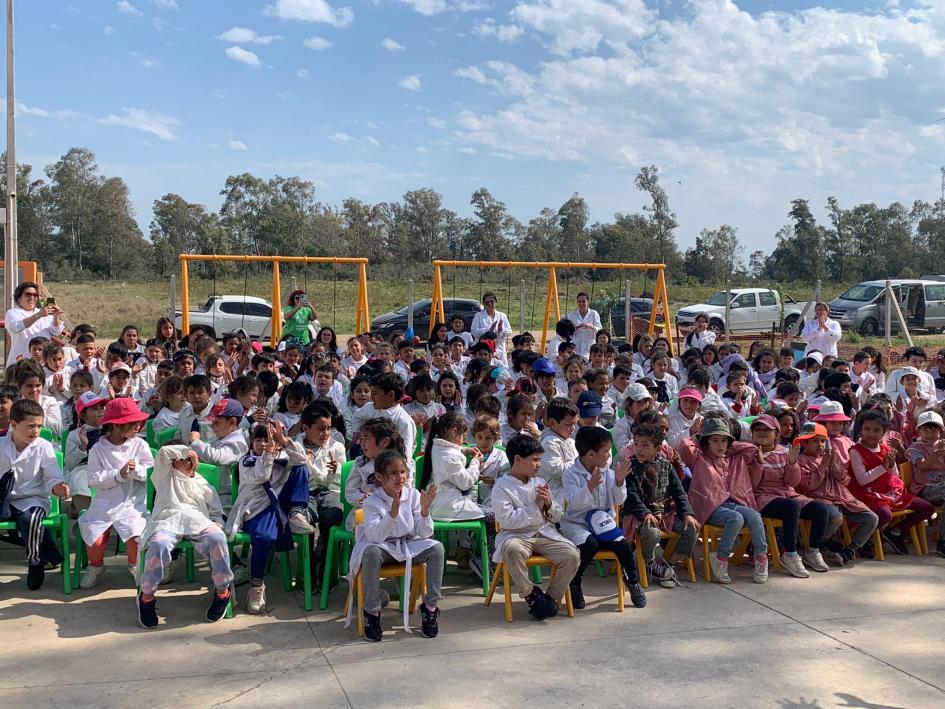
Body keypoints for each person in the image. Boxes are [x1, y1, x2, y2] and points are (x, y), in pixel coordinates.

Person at [345, 449, 443, 641]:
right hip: (383, 548)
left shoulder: (413, 495)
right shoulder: (372, 501)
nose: (400, 477)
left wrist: (424, 510)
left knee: (436, 548)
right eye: (394, 473)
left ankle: (430, 608)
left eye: (403, 472)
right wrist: (392, 514)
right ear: (380, 477)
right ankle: (372, 613)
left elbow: (423, 533)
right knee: (371, 552)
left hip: (406, 545)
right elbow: (375, 537)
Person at [136, 446, 234, 628]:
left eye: (190, 460)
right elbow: (164, 451)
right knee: (158, 544)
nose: (188, 462)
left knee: (217, 538)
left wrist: (217, 525)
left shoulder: (202, 483)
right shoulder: (165, 478)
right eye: (183, 459)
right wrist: (191, 451)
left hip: (198, 522)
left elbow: (215, 512)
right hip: (167, 521)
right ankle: (147, 596)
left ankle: (222, 591)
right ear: (173, 462)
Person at [491, 433, 580, 621]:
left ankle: (550, 599)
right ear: (517, 459)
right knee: (513, 551)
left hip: (544, 532)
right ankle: (530, 594)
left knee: (572, 554)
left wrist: (548, 504)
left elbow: (556, 516)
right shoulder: (501, 486)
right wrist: (536, 506)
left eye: (540, 460)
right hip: (515, 535)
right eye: (534, 460)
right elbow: (507, 521)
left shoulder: (540, 482)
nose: (539, 465)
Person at [561, 426, 646, 610]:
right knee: (589, 545)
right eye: (606, 451)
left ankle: (633, 582)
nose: (609, 455)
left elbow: (619, 499)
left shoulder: (608, 471)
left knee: (623, 545)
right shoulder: (570, 473)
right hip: (579, 524)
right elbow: (573, 503)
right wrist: (589, 487)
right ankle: (575, 583)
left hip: (603, 522)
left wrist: (619, 481)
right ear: (591, 454)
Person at [678, 416, 768, 585]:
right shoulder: (699, 458)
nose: (720, 445)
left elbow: (751, 449)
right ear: (706, 442)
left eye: (724, 440)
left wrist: (731, 446)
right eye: (715, 440)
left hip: (734, 503)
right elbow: (684, 445)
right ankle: (721, 558)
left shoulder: (735, 458)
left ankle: (761, 558)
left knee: (755, 516)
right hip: (708, 507)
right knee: (736, 518)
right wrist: (695, 434)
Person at [78, 398, 154, 588]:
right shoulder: (98, 449)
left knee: (135, 539)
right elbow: (93, 479)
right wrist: (118, 474)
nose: (138, 425)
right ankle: (96, 566)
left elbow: (152, 473)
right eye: (133, 422)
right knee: (95, 542)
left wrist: (136, 471)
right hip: (106, 503)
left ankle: (136, 567)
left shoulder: (140, 445)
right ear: (117, 424)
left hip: (133, 503)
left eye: (138, 421)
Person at [749, 415, 834, 576]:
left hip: (787, 494)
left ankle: (813, 551)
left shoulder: (784, 451)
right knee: (791, 507)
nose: (762, 433)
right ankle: (790, 553)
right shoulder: (748, 452)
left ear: (776, 434)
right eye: (758, 429)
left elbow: (793, 482)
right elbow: (751, 485)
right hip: (762, 497)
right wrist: (758, 464)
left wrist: (792, 463)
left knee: (820, 509)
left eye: (767, 430)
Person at [0, 399, 70, 589]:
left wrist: (58, 487)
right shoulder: (1, 445)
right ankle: (51, 551)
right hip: (3, 499)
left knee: (30, 520)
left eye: (39, 426)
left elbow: (52, 476)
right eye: (31, 426)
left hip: (32, 499)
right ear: (14, 425)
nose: (36, 430)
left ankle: (36, 560)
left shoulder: (43, 447)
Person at [622, 423, 699, 588]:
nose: (639, 449)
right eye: (636, 444)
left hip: (663, 513)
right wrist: (645, 513)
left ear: (657, 449)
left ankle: (668, 564)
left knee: (691, 528)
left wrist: (687, 513)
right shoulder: (630, 466)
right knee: (651, 532)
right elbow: (631, 496)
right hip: (639, 515)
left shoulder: (666, 465)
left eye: (645, 445)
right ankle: (650, 563)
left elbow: (679, 492)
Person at [848, 409, 934, 555]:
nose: (871, 434)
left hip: (888, 492)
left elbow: (894, 475)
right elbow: (862, 480)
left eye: (877, 430)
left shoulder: (885, 448)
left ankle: (895, 532)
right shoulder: (856, 451)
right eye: (867, 429)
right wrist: (883, 466)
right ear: (860, 430)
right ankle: (864, 539)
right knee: (884, 514)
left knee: (927, 508)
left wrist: (891, 464)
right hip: (866, 494)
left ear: (883, 432)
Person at [420, 413, 494, 577]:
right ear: (454, 432)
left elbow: (450, 451)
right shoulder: (450, 456)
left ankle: (481, 559)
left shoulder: (436, 446)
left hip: (440, 503)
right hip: (448, 506)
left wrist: (464, 449)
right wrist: (475, 462)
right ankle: (483, 561)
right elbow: (465, 482)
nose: (463, 439)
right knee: (493, 517)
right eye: (462, 435)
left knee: (485, 512)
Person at [794, 422, 878, 566]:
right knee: (835, 517)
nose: (820, 445)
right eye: (814, 441)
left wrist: (834, 465)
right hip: (819, 499)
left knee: (872, 518)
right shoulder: (801, 461)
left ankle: (849, 551)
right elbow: (809, 486)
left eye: (822, 441)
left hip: (842, 498)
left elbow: (845, 481)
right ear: (804, 443)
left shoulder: (829, 456)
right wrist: (822, 466)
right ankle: (818, 543)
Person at [905, 410, 945, 557]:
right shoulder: (915, 448)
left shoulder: (942, 445)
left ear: (941, 431)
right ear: (918, 431)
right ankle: (943, 543)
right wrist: (936, 455)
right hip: (925, 488)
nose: (930, 432)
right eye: (925, 429)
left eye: (934, 428)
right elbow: (922, 466)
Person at [4, 282, 65, 367]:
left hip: (44, 362)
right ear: (18, 298)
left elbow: (56, 331)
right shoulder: (12, 313)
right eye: (28, 294)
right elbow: (16, 326)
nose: (32, 297)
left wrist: (56, 316)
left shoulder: (43, 312)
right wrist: (38, 315)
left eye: (35, 295)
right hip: (21, 361)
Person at [470, 292, 512, 365]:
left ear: (495, 302)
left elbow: (509, 331)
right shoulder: (479, 315)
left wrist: (501, 330)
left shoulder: (502, 315)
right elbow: (474, 331)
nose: (490, 304)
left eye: (492, 301)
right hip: (483, 349)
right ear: (484, 304)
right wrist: (489, 330)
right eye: (487, 303)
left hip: (499, 347)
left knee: (502, 367)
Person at [566, 292, 602, 360]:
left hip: (589, 348)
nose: (581, 304)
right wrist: (575, 327)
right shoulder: (571, 315)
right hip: (576, 348)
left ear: (588, 302)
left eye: (583, 301)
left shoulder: (594, 314)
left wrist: (590, 326)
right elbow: (567, 332)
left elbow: (600, 330)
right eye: (579, 302)